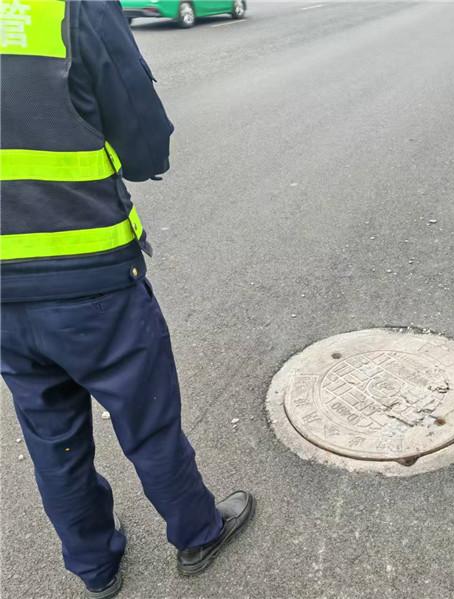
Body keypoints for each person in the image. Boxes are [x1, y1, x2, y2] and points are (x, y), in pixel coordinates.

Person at [0, 1, 254, 596]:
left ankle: (95, 566)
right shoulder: (69, 7)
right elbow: (142, 139)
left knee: (51, 436)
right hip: (90, 276)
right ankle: (196, 532)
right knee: (147, 418)